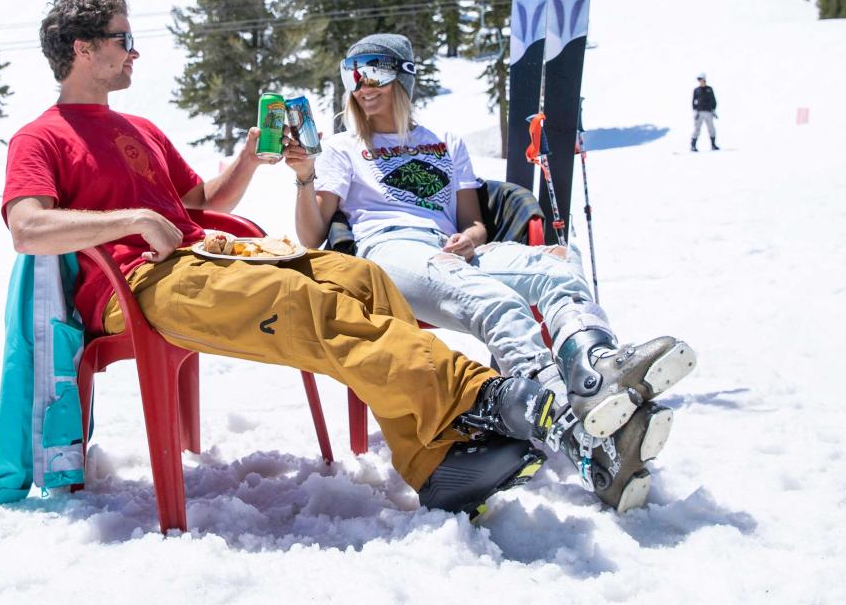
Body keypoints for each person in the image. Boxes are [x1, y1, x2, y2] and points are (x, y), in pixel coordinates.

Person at [1, 0, 609, 518]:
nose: (133, 50)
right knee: (298, 300)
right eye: (122, 37)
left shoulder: (140, 129)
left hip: (205, 261)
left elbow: (199, 200)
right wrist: (134, 220)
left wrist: (248, 158)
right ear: (83, 48)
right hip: (136, 286)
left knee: (362, 278)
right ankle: (486, 396)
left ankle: (438, 458)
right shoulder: (42, 136)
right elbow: (28, 227)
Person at [281, 33, 697, 511]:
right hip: (389, 251)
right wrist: (304, 177)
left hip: (452, 250)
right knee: (494, 301)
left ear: (404, 75)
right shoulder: (342, 148)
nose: (362, 85)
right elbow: (312, 237)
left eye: (374, 70)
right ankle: (569, 425)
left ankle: (591, 375)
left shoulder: (444, 141)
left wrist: (471, 239)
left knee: (559, 265)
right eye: (352, 74)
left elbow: (474, 221)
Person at [691, 74, 719, 151]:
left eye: (701, 79)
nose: (700, 81)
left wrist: (713, 110)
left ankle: (713, 145)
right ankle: (693, 145)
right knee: (697, 129)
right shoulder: (696, 90)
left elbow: (713, 100)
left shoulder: (709, 89)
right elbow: (693, 101)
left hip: (708, 112)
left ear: (704, 80)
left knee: (711, 129)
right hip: (699, 112)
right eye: (699, 80)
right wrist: (695, 111)